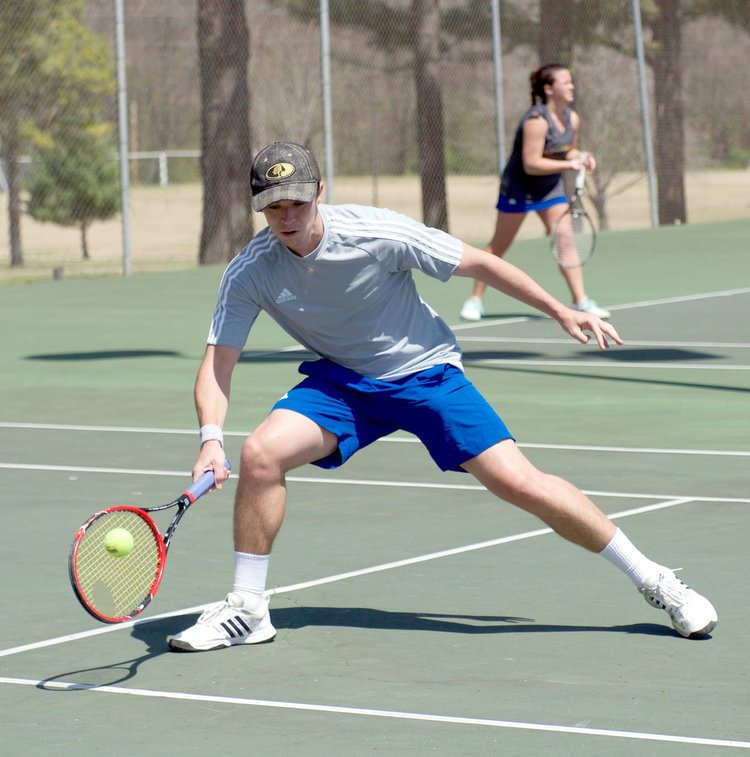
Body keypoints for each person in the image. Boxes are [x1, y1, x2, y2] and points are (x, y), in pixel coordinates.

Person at [166, 141, 717, 652]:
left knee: (520, 483)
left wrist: (563, 311)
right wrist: (210, 439)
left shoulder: (377, 233)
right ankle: (248, 607)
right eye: (273, 206)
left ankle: (656, 580)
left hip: (425, 371)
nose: (287, 217)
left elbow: (479, 262)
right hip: (345, 381)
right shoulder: (251, 270)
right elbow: (218, 363)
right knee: (261, 453)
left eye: (296, 202)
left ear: (319, 193)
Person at [460, 63, 609, 323]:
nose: (572, 86)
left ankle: (581, 301)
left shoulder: (572, 118)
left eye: (571, 81)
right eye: (565, 82)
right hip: (519, 189)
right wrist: (569, 164)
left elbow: (568, 150)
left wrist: (582, 156)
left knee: (566, 240)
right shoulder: (536, 121)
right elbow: (532, 163)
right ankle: (475, 300)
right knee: (498, 246)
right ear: (549, 89)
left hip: (549, 189)